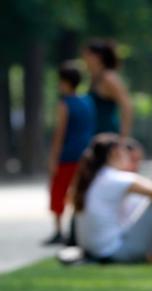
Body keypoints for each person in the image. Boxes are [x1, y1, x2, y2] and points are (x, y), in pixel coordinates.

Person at [73, 134, 152, 264]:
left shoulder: (95, 178)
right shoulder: (113, 177)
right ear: (114, 153)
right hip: (113, 252)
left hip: (96, 252)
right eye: (125, 152)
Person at [44, 62, 95, 245]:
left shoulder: (64, 104)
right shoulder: (88, 102)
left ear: (65, 82)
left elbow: (60, 134)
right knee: (80, 192)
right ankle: (78, 229)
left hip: (67, 156)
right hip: (85, 154)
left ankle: (59, 231)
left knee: (59, 192)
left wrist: (52, 159)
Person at [82, 39, 133, 137]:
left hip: (108, 137)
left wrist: (123, 138)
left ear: (98, 57)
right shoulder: (95, 79)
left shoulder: (109, 78)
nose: (84, 59)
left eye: (87, 55)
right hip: (95, 137)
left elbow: (127, 106)